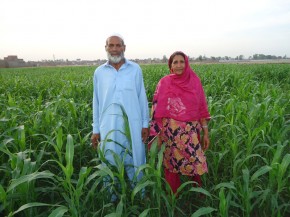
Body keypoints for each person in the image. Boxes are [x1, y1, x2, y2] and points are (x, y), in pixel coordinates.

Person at [149, 51, 210, 194]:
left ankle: (198, 195)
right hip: (170, 132)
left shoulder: (194, 82)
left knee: (196, 161)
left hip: (190, 132)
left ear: (186, 63)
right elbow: (157, 109)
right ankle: (173, 198)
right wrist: (157, 134)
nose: (178, 65)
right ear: (170, 65)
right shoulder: (165, 82)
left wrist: (206, 132)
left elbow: (201, 108)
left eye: (181, 62)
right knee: (171, 164)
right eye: (175, 62)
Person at [91, 34, 149, 184]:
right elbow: (96, 102)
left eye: (118, 45)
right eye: (111, 45)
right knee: (110, 158)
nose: (114, 49)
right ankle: (111, 197)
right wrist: (96, 129)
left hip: (133, 124)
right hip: (108, 125)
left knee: (135, 158)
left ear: (124, 48)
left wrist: (145, 124)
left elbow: (141, 98)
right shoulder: (99, 72)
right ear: (106, 48)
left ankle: (139, 194)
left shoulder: (135, 69)